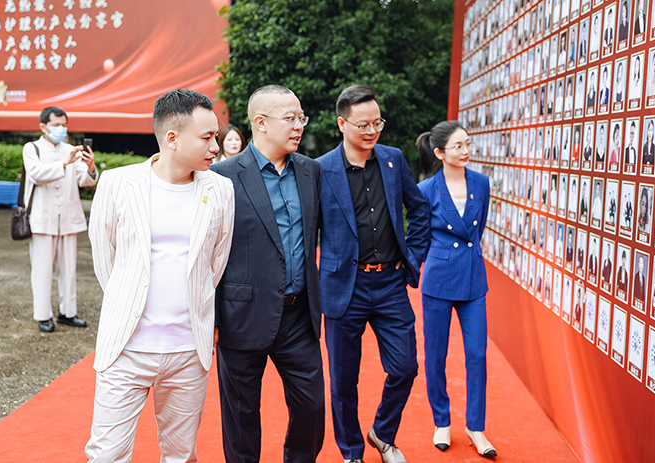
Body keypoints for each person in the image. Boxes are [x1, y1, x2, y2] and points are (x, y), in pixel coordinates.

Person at [85, 89, 235, 462]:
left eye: (215, 136)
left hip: (188, 350)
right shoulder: (117, 183)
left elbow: (216, 261)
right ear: (172, 138)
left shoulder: (220, 189)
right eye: (206, 137)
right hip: (126, 347)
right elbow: (106, 260)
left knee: (181, 454)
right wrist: (128, 300)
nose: (215, 146)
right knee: (106, 454)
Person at [211, 85, 326, 463]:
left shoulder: (310, 171)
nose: (299, 126)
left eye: (301, 117)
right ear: (260, 123)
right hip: (242, 314)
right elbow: (208, 251)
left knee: (312, 407)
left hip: (298, 315)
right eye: (290, 118)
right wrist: (211, 316)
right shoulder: (223, 176)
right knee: (241, 416)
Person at [317, 85, 429, 463]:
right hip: (343, 287)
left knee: (405, 367)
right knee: (343, 380)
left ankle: (382, 433)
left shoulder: (393, 159)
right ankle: (351, 451)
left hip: (390, 284)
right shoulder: (320, 169)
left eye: (377, 123)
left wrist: (413, 255)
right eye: (362, 124)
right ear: (341, 124)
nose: (371, 131)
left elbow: (419, 210)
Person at [416, 121, 497, 459]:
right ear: (439, 153)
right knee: (436, 355)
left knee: (477, 354)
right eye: (458, 146)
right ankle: (442, 421)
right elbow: (420, 235)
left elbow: (478, 230)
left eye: (468, 144)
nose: (466, 151)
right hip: (438, 279)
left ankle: (476, 426)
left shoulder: (481, 182)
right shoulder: (425, 189)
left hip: (473, 278)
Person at [23, 106, 97, 332]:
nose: (61, 129)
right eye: (56, 125)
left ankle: (68, 313)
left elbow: (85, 180)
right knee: (42, 270)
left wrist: (90, 167)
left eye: (64, 125)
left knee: (69, 270)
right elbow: (36, 175)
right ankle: (43, 315)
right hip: (42, 219)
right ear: (43, 126)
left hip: (68, 217)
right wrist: (64, 163)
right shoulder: (32, 148)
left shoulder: (71, 150)